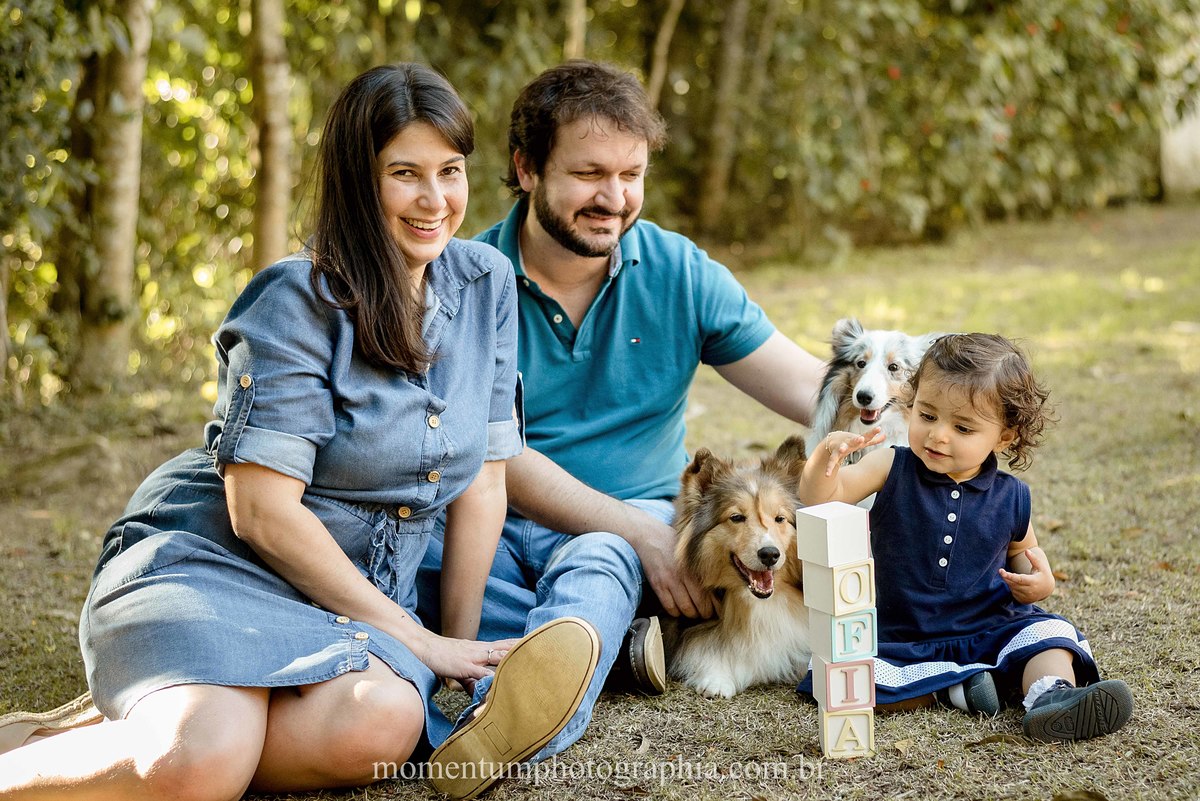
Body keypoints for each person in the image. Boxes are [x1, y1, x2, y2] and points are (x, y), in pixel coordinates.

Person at [0, 63, 601, 800]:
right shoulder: (295, 297)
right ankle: (145, 740)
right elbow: (261, 513)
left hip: (348, 600)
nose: (434, 199)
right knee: (199, 763)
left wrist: (455, 649)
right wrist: (416, 637)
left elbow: (484, 481)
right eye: (404, 173)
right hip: (214, 563)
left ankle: (129, 730)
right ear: (357, 179)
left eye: (450, 171)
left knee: (379, 725)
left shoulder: (485, 282)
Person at [416, 59, 826, 767]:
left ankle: (523, 715)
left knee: (600, 565)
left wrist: (958, 455)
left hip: (614, 543)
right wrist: (632, 524)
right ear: (525, 168)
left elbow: (815, 392)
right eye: (588, 174)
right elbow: (482, 454)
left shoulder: (677, 271)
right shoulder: (461, 277)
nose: (614, 197)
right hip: (481, 526)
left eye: (631, 174)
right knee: (406, 552)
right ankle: (622, 649)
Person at [797, 333, 1134, 741]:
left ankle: (1051, 697)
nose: (938, 435)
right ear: (911, 403)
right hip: (902, 634)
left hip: (989, 626)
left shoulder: (1011, 496)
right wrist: (822, 461)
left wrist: (1038, 581)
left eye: (962, 427)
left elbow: (1025, 553)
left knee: (1052, 637)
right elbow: (822, 496)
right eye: (927, 415)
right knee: (839, 681)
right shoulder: (890, 465)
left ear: (1004, 436)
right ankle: (955, 690)